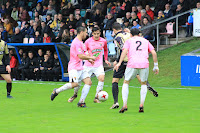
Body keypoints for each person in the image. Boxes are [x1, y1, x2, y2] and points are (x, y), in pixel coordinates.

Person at [110, 22, 158, 109]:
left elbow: (123, 50)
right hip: (141, 61)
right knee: (141, 80)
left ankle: (117, 102)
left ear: (114, 30)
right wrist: (156, 65)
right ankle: (147, 88)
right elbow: (152, 51)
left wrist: (118, 61)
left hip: (128, 60)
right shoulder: (130, 34)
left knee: (117, 81)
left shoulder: (118, 37)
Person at [50, 27, 96, 107]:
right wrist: (90, 58)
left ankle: (81, 102)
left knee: (88, 82)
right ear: (81, 32)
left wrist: (89, 58)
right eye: (85, 32)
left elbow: (84, 54)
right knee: (75, 84)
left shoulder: (81, 42)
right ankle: (56, 91)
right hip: (74, 67)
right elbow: (80, 56)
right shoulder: (76, 42)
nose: (86, 34)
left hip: (80, 67)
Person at [68, 27, 111, 103]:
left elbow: (105, 50)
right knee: (79, 81)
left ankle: (97, 97)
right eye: (95, 34)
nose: (96, 35)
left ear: (100, 33)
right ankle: (75, 94)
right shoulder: (88, 41)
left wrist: (106, 59)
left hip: (98, 64)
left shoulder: (103, 41)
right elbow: (83, 51)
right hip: (88, 65)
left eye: (98, 33)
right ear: (92, 34)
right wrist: (88, 58)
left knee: (101, 78)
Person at [0, 33, 13, 98]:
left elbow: (7, 55)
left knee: (9, 80)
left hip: (1, 65)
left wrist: (8, 65)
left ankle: (8, 94)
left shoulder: (4, 43)